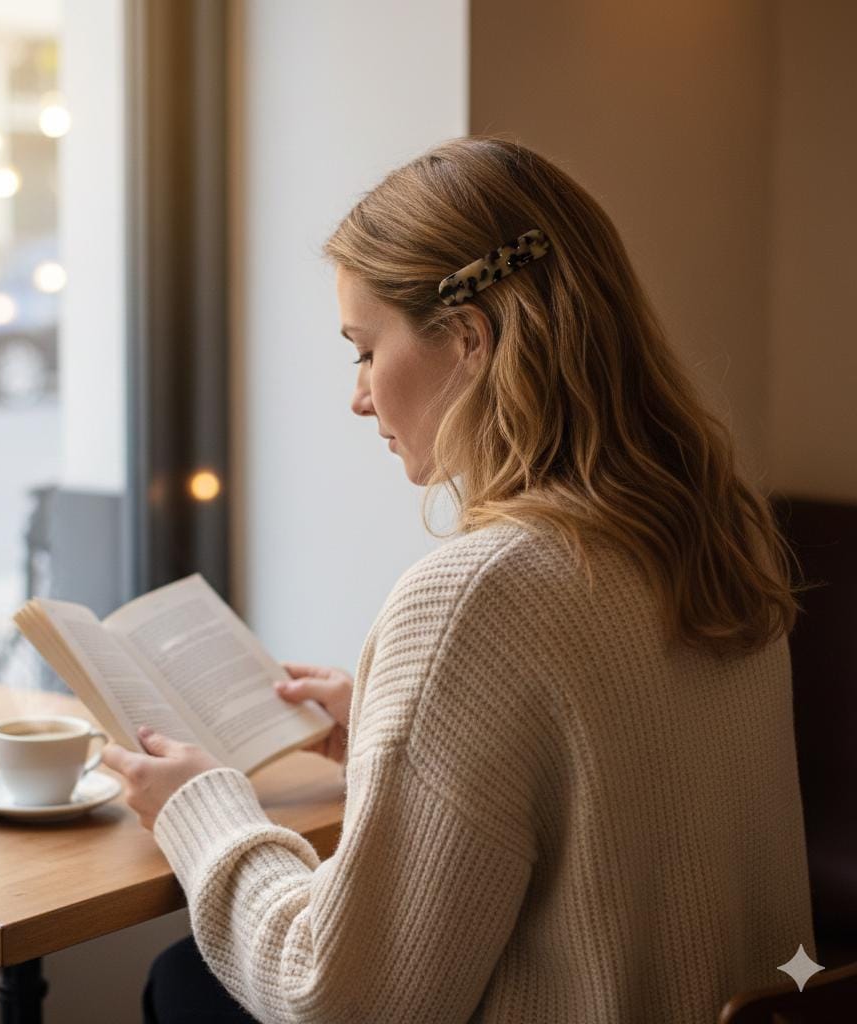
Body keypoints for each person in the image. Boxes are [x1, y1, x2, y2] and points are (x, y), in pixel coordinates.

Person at [101, 135, 816, 1023]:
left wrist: (203, 813)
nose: (359, 395)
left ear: (470, 340)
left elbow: (339, 1000)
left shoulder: (478, 593)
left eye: (364, 350)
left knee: (183, 981)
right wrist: (385, 727)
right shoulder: (714, 528)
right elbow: (628, 784)